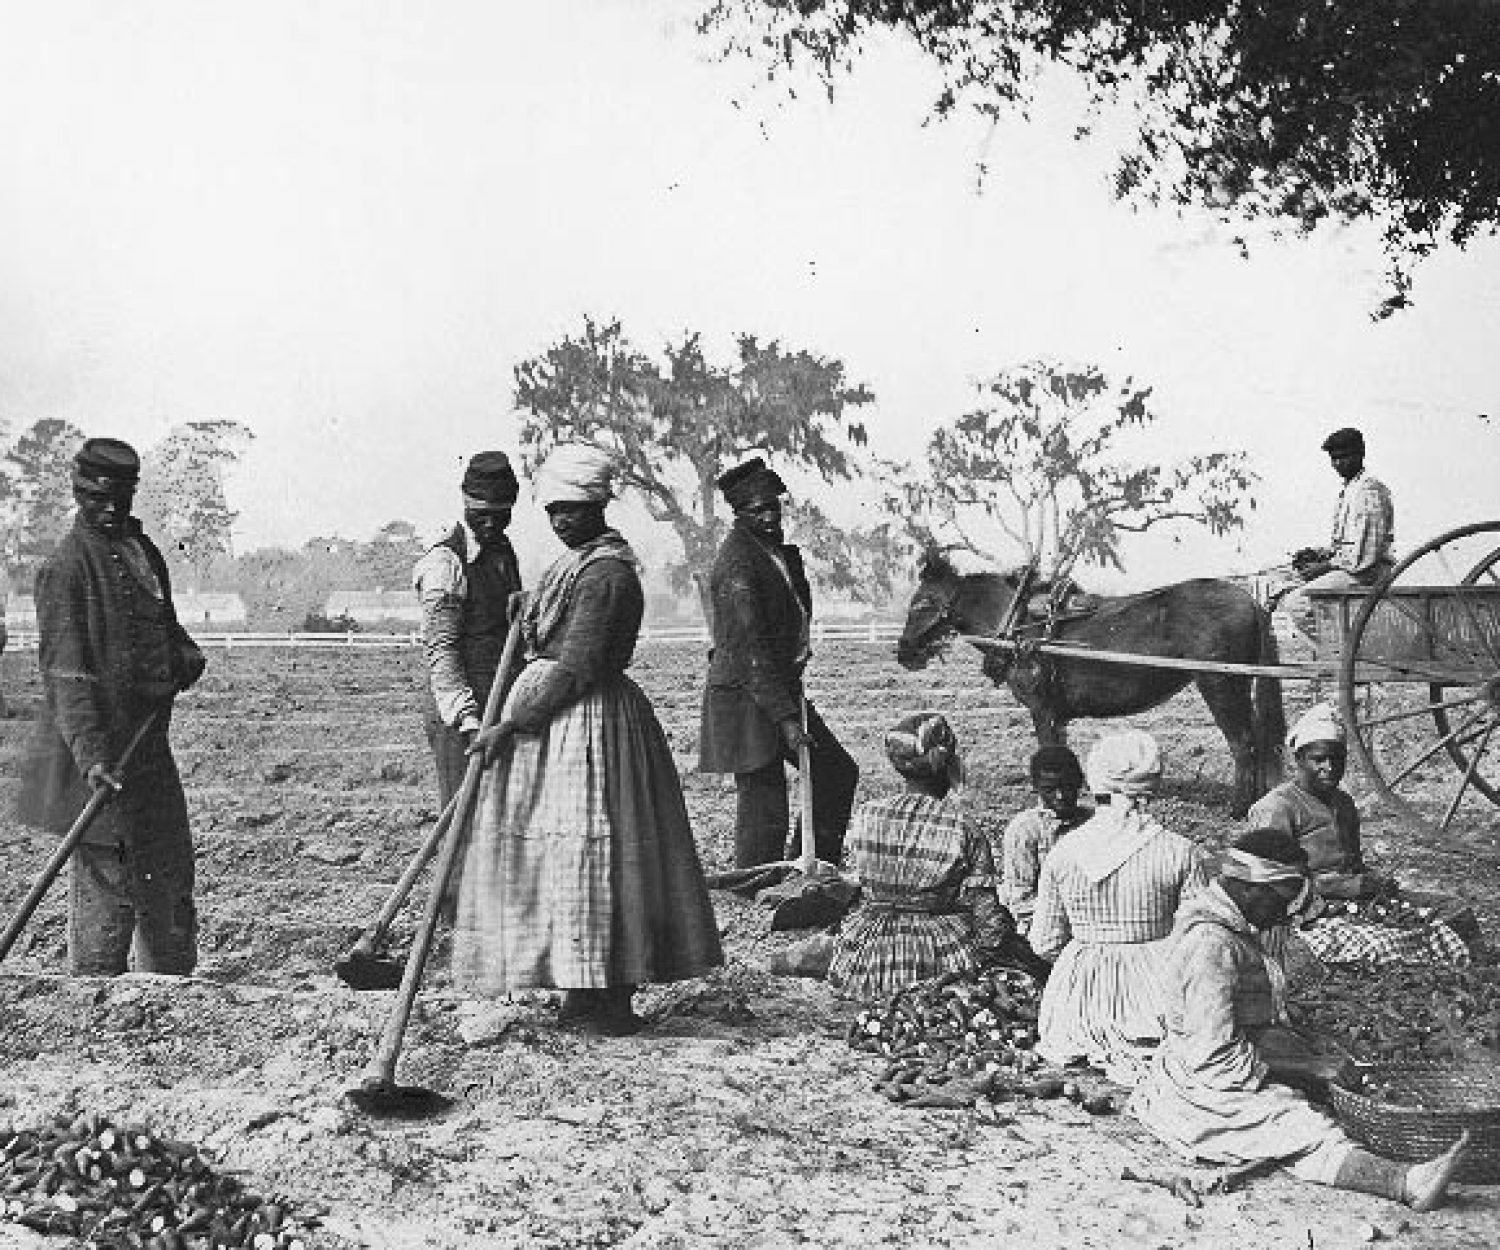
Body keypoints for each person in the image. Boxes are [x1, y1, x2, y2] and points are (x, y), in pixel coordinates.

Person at [451, 443, 723, 1035]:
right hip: (564, 722)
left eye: (572, 510)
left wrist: (510, 723)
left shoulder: (606, 575)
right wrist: (531, 609)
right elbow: (557, 632)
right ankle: (580, 987)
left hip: (589, 722)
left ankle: (608, 994)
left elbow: (574, 667)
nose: (561, 521)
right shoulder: (578, 567)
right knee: (567, 858)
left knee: (597, 854)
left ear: (599, 506)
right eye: (552, 511)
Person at [1130, 828, 1471, 1210]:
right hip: (1200, 1081)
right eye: (1285, 897)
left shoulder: (1236, 927)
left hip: (1231, 1055)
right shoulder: (1211, 944)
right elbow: (1212, 1053)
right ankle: (1403, 1183)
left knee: (1324, 1090)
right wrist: (1308, 1068)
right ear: (1250, 887)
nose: (1288, 911)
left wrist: (1304, 1053)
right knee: (1300, 1126)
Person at [17, 437, 206, 976]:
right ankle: (92, 1002)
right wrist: (94, 757)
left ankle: (169, 995)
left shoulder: (145, 554)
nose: (109, 508)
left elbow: (168, 632)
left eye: (120, 497)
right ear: (78, 492)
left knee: (169, 876)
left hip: (148, 753)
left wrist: (184, 657)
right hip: (95, 760)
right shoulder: (66, 568)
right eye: (97, 498)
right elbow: (66, 677)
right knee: (109, 885)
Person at [698, 456, 859, 868]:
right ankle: (755, 877)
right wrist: (787, 719)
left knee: (836, 771)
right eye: (758, 511)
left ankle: (816, 865)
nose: (770, 516)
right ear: (740, 514)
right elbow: (750, 650)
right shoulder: (736, 564)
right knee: (763, 792)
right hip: (745, 692)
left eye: (774, 507)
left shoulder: (774, 554)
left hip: (777, 686)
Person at [1030, 730, 1208, 1084]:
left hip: (1078, 1005)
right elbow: (1199, 938)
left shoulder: (1064, 852)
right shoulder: (1179, 851)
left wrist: (1094, 951)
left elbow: (1044, 943)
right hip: (1156, 995)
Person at [825, 711, 1040, 1001]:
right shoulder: (963, 826)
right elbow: (986, 912)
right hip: (938, 955)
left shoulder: (867, 814)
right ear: (948, 762)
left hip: (868, 956)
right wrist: (999, 955)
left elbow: (857, 885)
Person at [411, 451, 524, 808]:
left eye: (500, 516)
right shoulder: (445, 563)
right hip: (461, 711)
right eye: (482, 516)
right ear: (465, 505)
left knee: (502, 817)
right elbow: (441, 653)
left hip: (501, 703)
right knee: (464, 815)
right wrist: (468, 720)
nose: (491, 525)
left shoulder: (503, 552)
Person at [1248, 703, 1383, 899]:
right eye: (1319, 759)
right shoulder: (1277, 808)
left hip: (1347, 901)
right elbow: (1266, 880)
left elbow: (1353, 863)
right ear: (1298, 760)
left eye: (1337, 759)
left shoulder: (1343, 803)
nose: (1330, 767)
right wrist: (1341, 888)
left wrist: (1370, 880)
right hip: (1293, 907)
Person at [1284, 427, 1395, 638]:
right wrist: (1322, 554)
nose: (1337, 464)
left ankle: (1339, 654)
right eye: (1333, 459)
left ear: (1360, 454)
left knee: (1297, 603)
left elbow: (1365, 557)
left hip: (1367, 574)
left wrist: (1326, 566)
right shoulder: (1350, 489)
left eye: (1344, 457)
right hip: (1353, 568)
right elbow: (1349, 545)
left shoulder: (1369, 492)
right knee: (1283, 585)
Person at [998, 744, 1090, 935]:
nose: (1061, 796)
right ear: (1036, 788)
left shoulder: (1093, 822)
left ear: (1079, 782)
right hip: (1044, 927)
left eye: (1068, 787)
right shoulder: (1024, 830)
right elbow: (1021, 897)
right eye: (1050, 790)